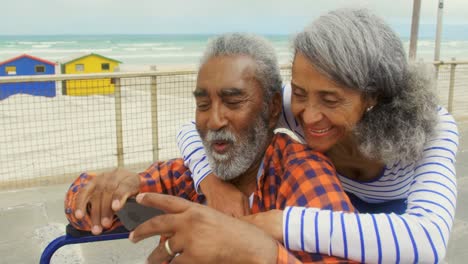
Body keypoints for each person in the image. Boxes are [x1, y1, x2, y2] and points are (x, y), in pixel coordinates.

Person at [176, 9, 459, 263]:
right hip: (329, 206)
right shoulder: (291, 106)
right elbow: (191, 128)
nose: (309, 116)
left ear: (373, 94)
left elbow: (427, 240)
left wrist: (275, 223)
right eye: (299, 92)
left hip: (395, 221)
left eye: (330, 99)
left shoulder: (432, 128)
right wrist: (212, 183)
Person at [64, 33, 355, 263]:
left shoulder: (302, 173)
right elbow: (88, 210)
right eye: (203, 105)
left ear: (272, 108)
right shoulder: (191, 174)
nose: (214, 120)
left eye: (233, 101)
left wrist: (263, 254)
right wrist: (106, 191)